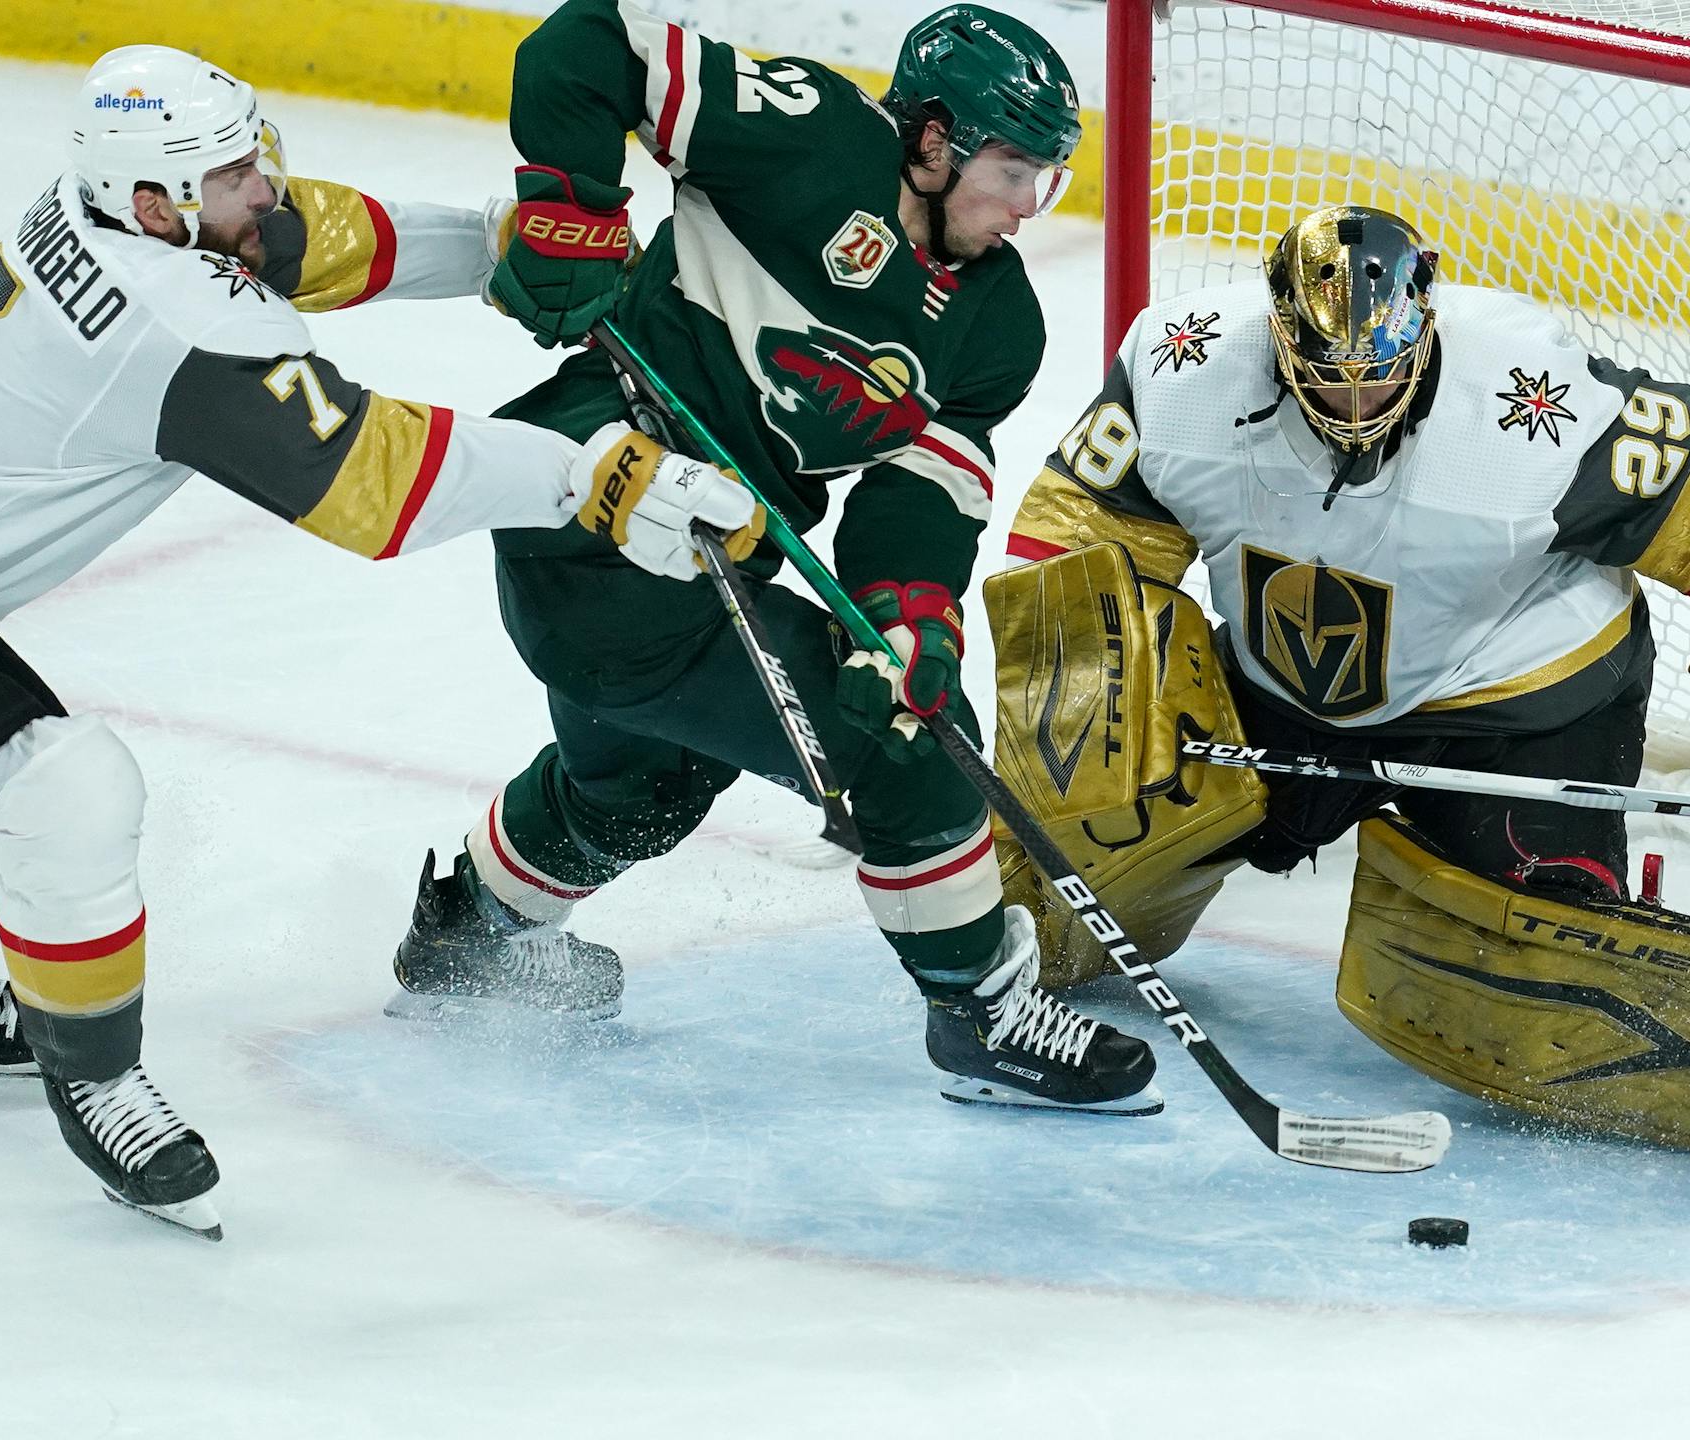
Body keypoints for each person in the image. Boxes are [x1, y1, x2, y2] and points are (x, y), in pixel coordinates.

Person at [0, 44, 753, 1238]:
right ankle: (100, 1081)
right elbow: (377, 484)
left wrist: (495, 244)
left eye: (249, 158)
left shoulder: (116, 216)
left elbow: (297, 237)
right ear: (158, 205)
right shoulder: (166, 320)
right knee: (61, 791)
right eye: (231, 178)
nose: (262, 188)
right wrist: (596, 477)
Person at [988, 202, 1690, 1180]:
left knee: (1522, 970)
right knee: (1077, 824)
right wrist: (1080, 719)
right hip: (1284, 694)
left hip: (1516, 704)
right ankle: (1004, 928)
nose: (1354, 408)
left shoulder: (1524, 392)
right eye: (1327, 381)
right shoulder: (1184, 364)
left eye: (1377, 377)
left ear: (1424, 324)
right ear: (1282, 339)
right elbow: (1075, 549)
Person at [387, 1, 1164, 1117]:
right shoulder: (809, 135)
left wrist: (909, 611)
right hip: (592, 510)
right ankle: (983, 1014)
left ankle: (466, 933)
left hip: (697, 562)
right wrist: (573, 205)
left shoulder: (997, 324)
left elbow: (923, 488)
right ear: (932, 141)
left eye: (1044, 176)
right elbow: (588, 44)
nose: (1026, 205)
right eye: (1010, 169)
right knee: (908, 753)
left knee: (645, 785)